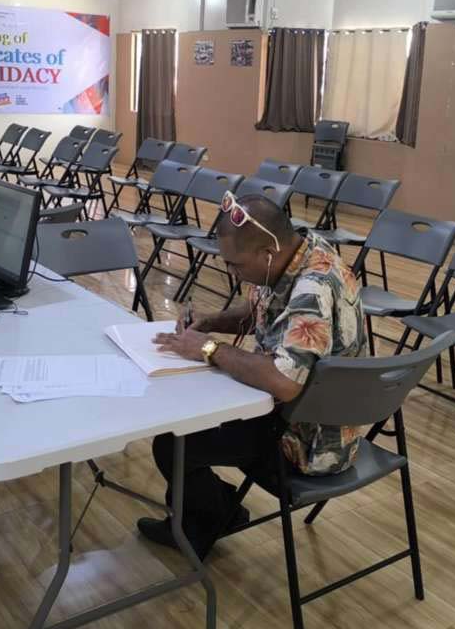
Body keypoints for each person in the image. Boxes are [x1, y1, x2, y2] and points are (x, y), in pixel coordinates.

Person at [138, 193, 367, 559]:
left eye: (235, 265)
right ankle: (219, 510)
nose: (232, 273)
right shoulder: (298, 249)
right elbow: (262, 309)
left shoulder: (314, 288)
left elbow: (283, 382)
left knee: (173, 440)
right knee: (186, 409)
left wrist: (209, 349)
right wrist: (211, 323)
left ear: (266, 254)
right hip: (305, 414)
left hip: (309, 441)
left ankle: (206, 523)